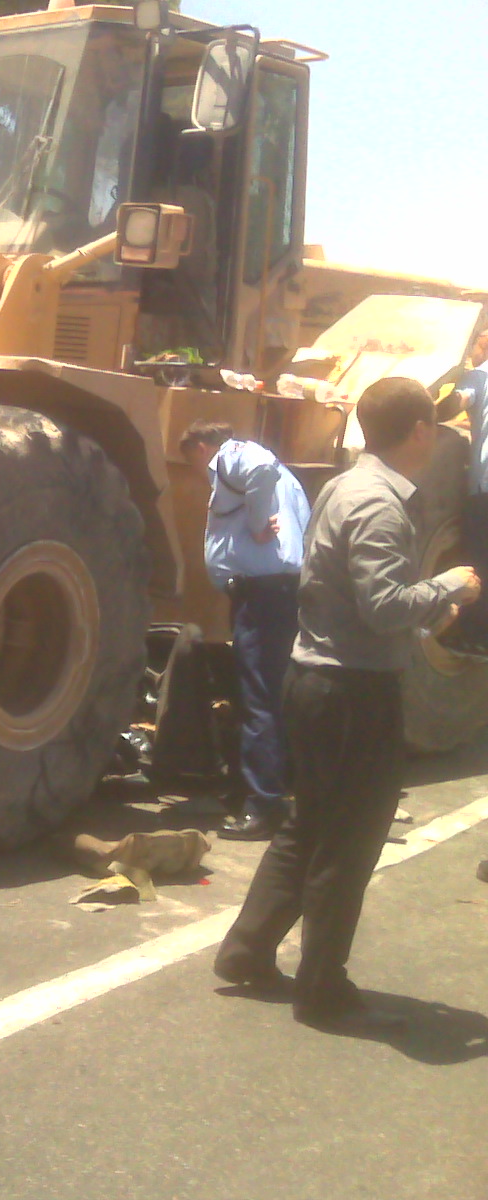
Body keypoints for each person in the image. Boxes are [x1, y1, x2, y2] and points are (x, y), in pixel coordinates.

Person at [213, 377, 482, 1034]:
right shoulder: (381, 506)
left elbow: (346, 592)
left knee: (310, 826)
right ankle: (322, 986)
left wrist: (426, 618)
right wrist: (452, 583)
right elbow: (384, 603)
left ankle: (247, 950)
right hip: (352, 693)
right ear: (418, 431)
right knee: (351, 840)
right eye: (435, 427)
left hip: (319, 681)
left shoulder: (343, 486)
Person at [179, 420, 311, 840]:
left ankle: (263, 805)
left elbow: (259, 468)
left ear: (201, 447)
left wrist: (255, 526)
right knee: (275, 694)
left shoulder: (234, 455)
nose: (203, 474)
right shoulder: (286, 480)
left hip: (262, 596)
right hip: (280, 592)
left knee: (260, 701)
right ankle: (278, 790)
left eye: (195, 462)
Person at [437, 327, 488, 654]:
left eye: (477, 345)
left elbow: (458, 402)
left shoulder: (479, 375)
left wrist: (428, 413)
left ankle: (473, 636)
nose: (473, 352)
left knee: (478, 561)